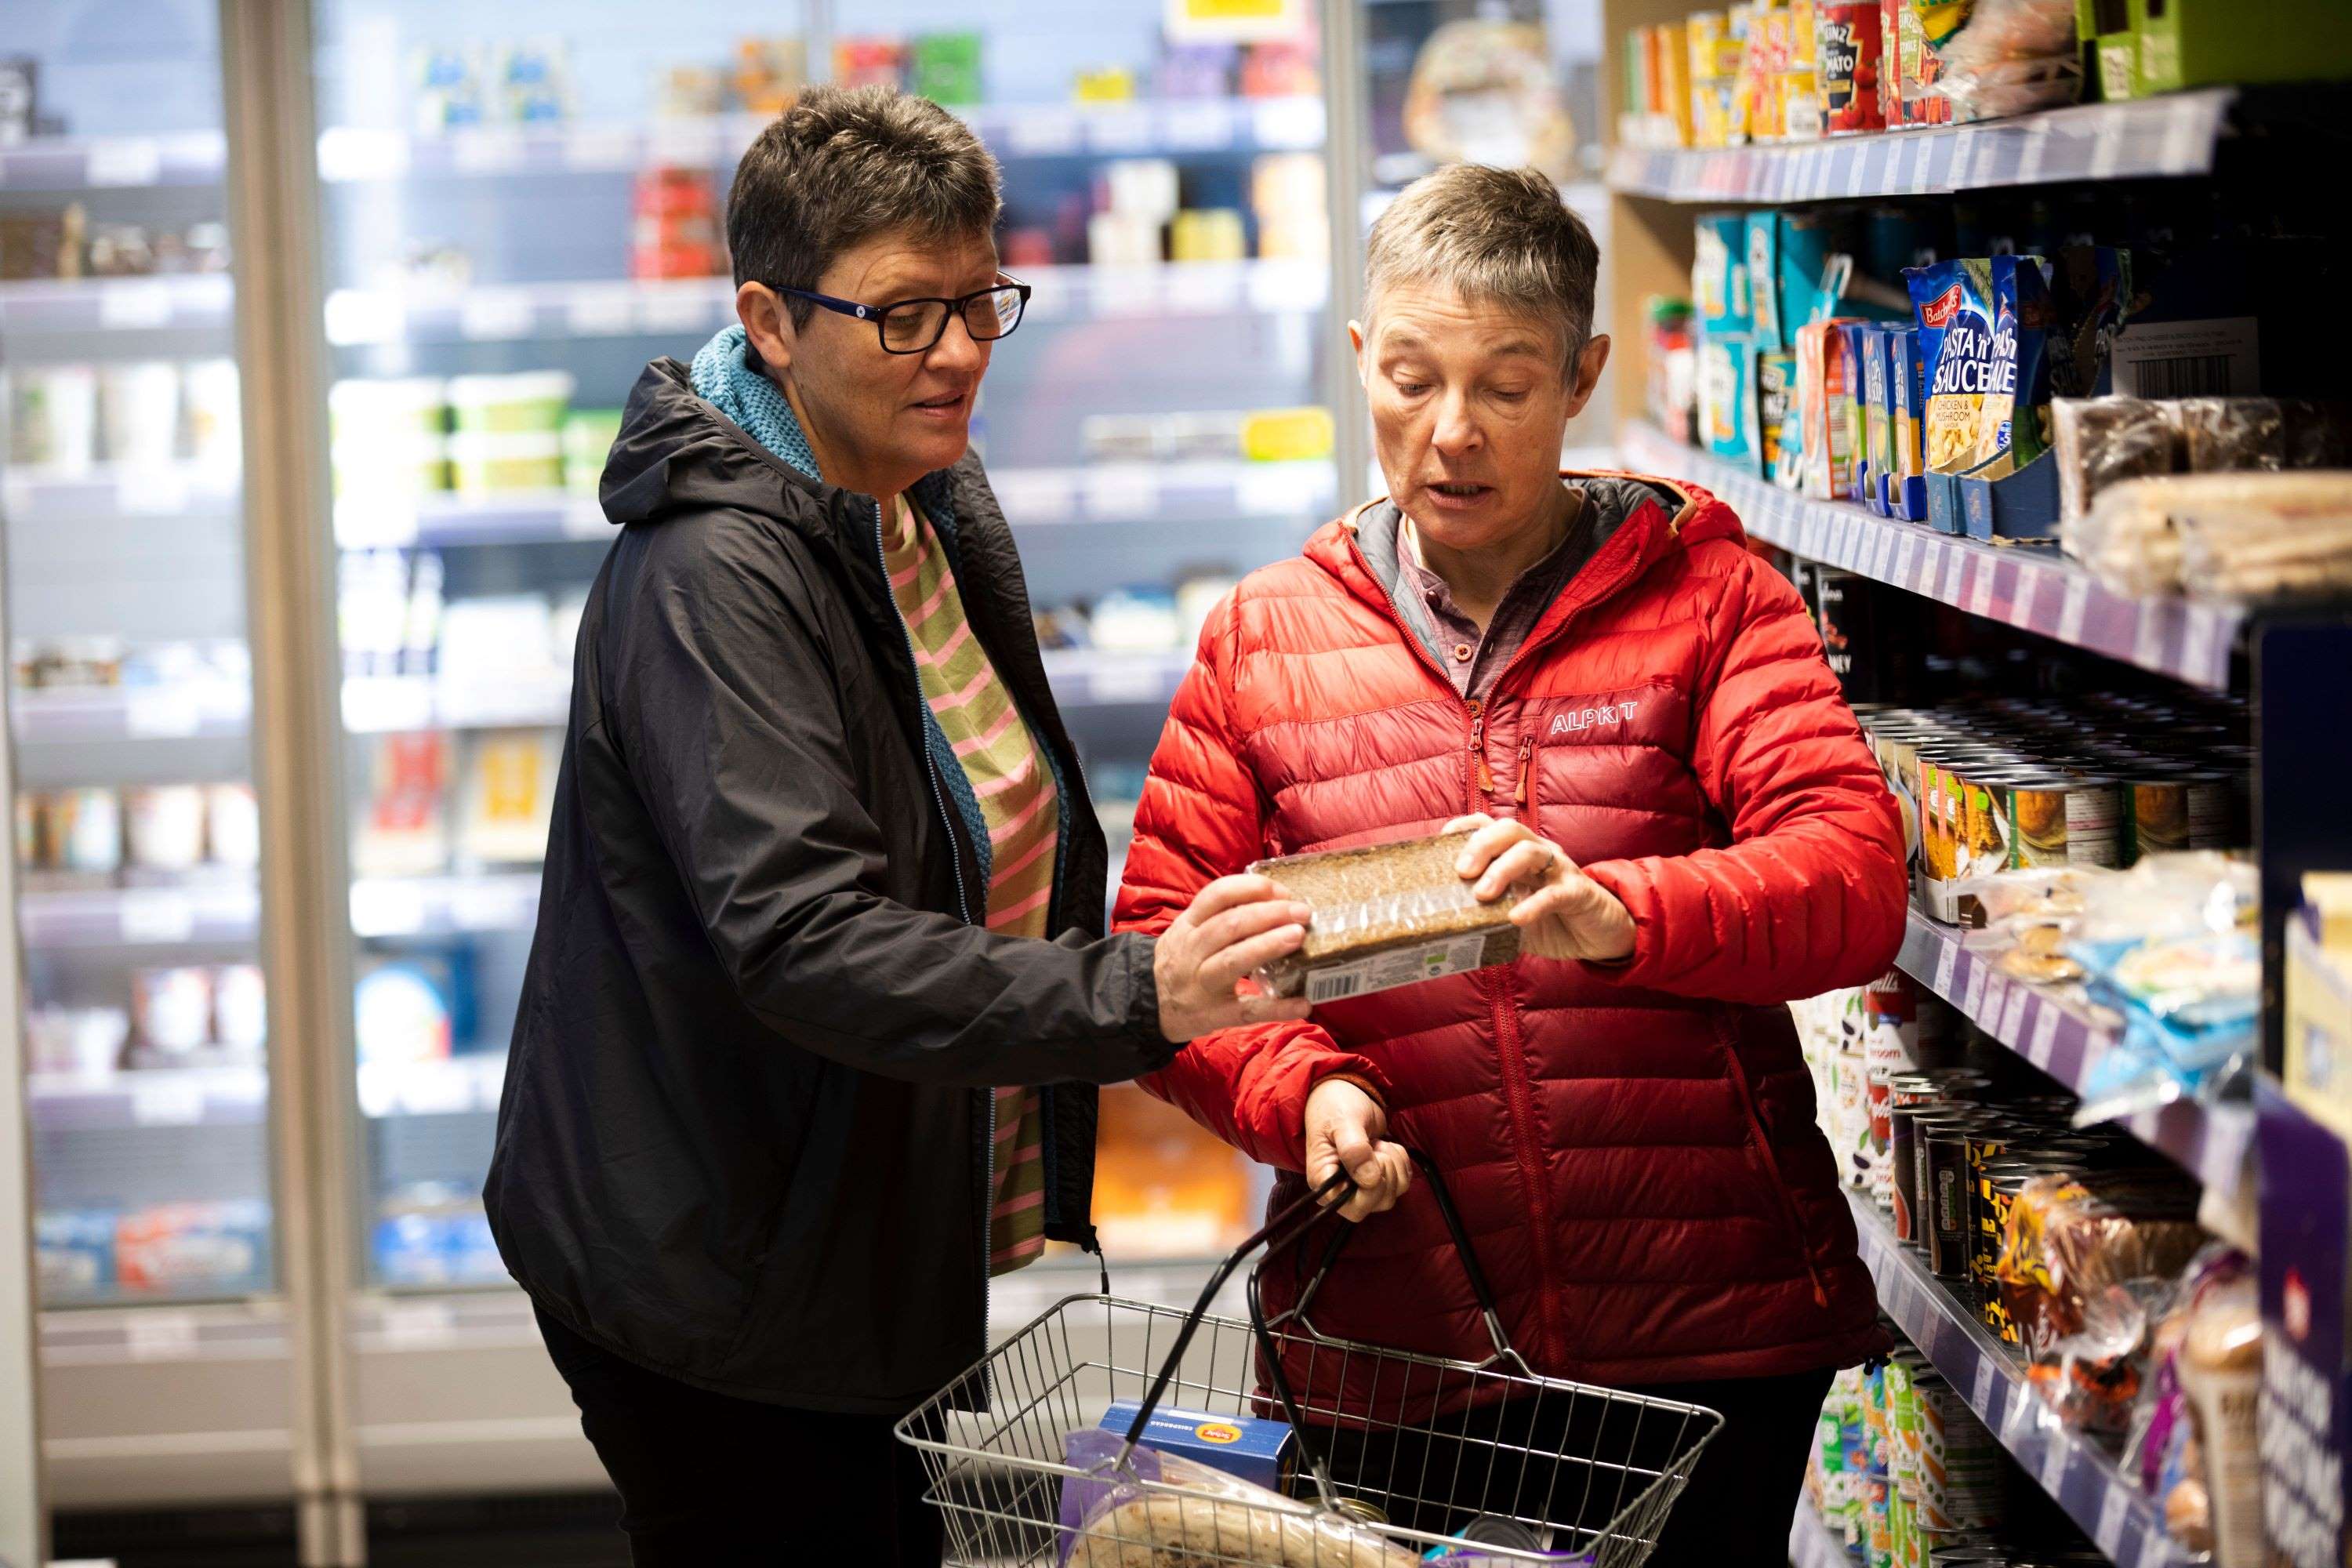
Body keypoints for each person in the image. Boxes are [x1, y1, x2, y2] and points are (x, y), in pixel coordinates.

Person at [484, 85, 1315, 1566]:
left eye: (980, 302)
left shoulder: (905, 496)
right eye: (901, 314)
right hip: (721, 1277)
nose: (957, 352)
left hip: (859, 1226)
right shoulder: (713, 581)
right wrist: (1132, 996)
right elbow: (806, 937)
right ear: (769, 319)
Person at [1114, 163, 1908, 1566]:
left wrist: (1621, 914)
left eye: (1509, 384)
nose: (1451, 435)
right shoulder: (1264, 639)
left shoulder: (1714, 600)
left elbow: (1851, 884)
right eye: (1410, 381)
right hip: (1390, 1339)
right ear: (1360, 361)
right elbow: (1170, 955)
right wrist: (1303, 1096)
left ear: (1585, 376)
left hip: (1703, 1339)